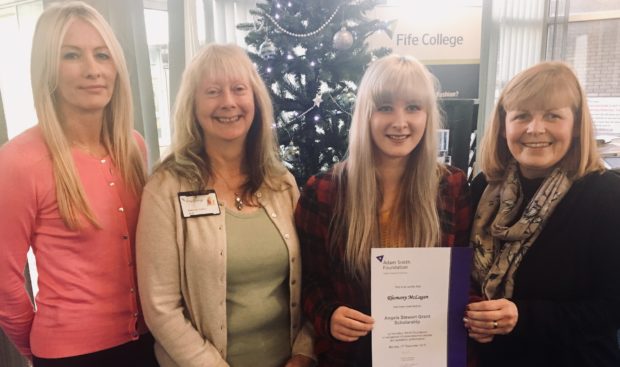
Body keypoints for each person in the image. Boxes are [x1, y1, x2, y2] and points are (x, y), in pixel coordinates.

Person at [136, 43, 315, 367]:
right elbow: (160, 307)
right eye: (213, 91)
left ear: (255, 100)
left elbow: (311, 279)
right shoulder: (164, 189)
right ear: (193, 106)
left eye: (238, 89)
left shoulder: (281, 183)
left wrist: (303, 352)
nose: (228, 102)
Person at [0, 2, 158, 366]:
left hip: (148, 343)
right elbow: (5, 282)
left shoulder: (133, 146)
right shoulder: (19, 161)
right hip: (70, 354)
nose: (93, 70)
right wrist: (40, 347)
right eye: (72, 55)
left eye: (102, 55)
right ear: (47, 69)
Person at [295, 54, 471, 366]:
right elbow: (309, 278)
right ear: (366, 115)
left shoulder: (452, 186)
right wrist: (329, 314)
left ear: (428, 116)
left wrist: (478, 313)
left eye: (413, 108)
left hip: (427, 355)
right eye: (385, 107)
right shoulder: (323, 191)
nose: (400, 122)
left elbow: (464, 278)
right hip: (350, 356)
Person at [463, 61, 620, 366]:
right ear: (503, 125)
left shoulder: (606, 194)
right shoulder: (483, 186)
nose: (535, 129)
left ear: (575, 126)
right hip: (487, 357)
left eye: (552, 116)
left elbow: (613, 307)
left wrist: (523, 317)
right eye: (522, 116)